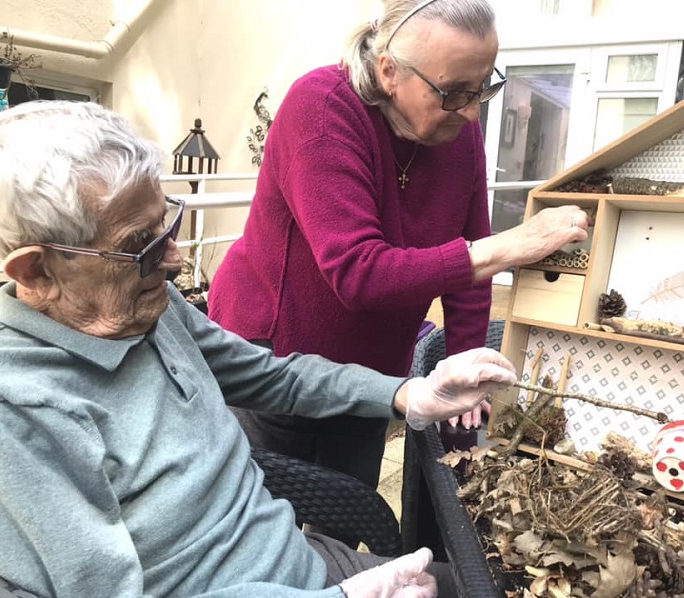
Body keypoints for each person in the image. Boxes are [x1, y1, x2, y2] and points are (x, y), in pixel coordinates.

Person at [0, 100, 518, 598]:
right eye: (138, 246)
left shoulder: (146, 307)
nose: (175, 261)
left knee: (500, 585)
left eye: (165, 222)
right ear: (36, 269)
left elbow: (270, 376)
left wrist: (407, 393)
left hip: (301, 560)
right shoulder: (8, 413)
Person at [208, 0, 590, 502]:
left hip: (372, 370)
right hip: (275, 356)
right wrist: (510, 247)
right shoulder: (322, 108)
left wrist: (465, 365)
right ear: (389, 70)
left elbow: (468, 262)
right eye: (454, 92)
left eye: (483, 89)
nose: (472, 111)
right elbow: (357, 272)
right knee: (268, 515)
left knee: (349, 508)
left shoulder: (460, 129)